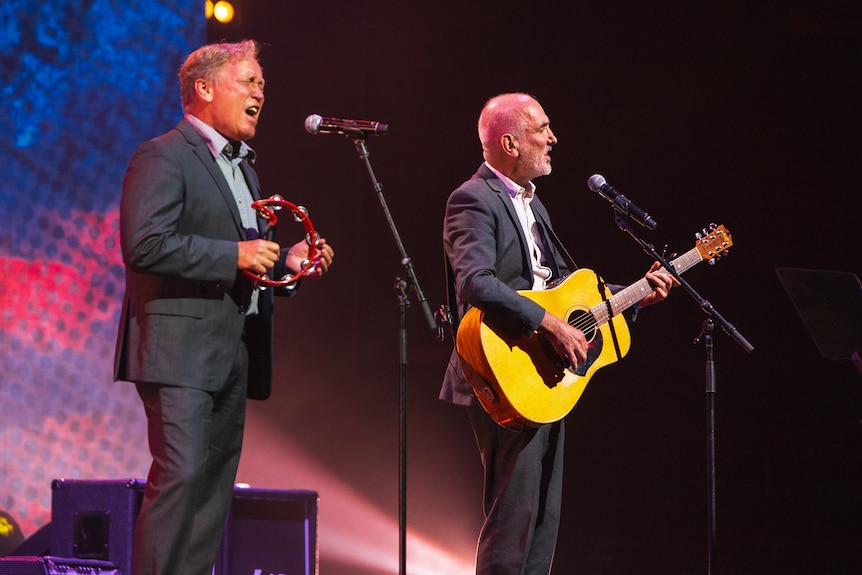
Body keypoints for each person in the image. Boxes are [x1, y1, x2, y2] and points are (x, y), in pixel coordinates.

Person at [113, 40, 334, 575]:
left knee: (212, 494)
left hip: (231, 353)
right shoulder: (164, 154)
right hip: (178, 351)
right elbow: (143, 244)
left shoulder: (246, 172)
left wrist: (290, 267)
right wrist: (234, 253)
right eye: (249, 81)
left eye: (262, 83)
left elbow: (250, 268)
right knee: (182, 478)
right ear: (205, 89)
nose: (261, 91)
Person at [441, 93, 675, 575]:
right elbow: (475, 282)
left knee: (543, 520)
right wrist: (546, 323)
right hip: (502, 367)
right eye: (541, 129)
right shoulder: (472, 199)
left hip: (543, 371)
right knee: (513, 518)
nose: (553, 138)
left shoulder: (534, 206)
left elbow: (565, 293)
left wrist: (635, 294)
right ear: (509, 142)